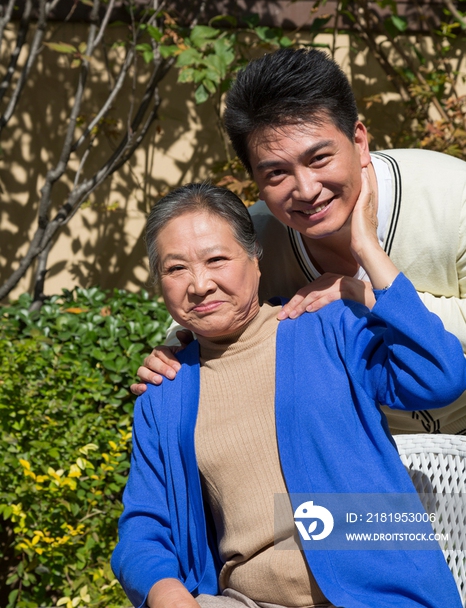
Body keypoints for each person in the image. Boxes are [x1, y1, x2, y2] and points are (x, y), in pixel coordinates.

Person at [112, 181, 465, 608]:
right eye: (175, 269)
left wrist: (366, 267)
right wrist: (168, 595)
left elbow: (439, 376)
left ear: (254, 260)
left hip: (376, 596)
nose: (199, 284)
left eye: (217, 259)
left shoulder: (325, 328)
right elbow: (144, 527)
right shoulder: (164, 393)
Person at [135, 48, 466, 436]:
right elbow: (204, 305)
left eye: (319, 158)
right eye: (276, 173)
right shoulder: (254, 239)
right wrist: (174, 350)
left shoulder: (452, 195)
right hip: (356, 469)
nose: (307, 190)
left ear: (359, 141)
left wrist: (363, 297)